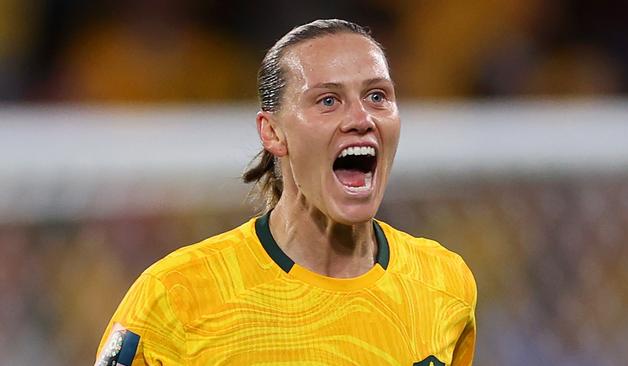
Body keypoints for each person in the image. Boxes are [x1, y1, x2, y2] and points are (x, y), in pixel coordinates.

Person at [94, 19, 477, 366]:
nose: (362, 119)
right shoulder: (177, 295)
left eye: (377, 96)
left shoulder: (444, 281)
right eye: (328, 101)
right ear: (272, 132)